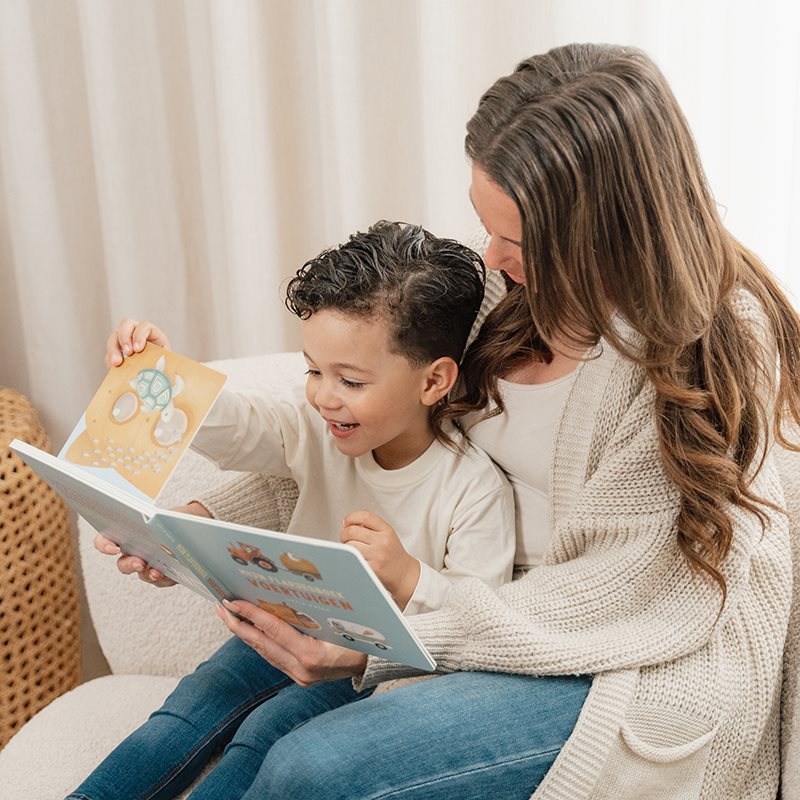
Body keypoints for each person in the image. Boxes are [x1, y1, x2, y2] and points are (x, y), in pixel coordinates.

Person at [86, 42, 800, 799]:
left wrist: (389, 646)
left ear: (603, 231)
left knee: (311, 765)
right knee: (224, 720)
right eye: (484, 224)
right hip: (450, 596)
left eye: (517, 241)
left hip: (623, 659)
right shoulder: (499, 292)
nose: (490, 255)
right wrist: (199, 531)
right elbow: (374, 437)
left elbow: (628, 595)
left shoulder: (706, 346)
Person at [68, 221, 515, 800]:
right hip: (275, 626)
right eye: (313, 370)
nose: (324, 396)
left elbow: (477, 616)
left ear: (434, 381)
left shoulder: (473, 488)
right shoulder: (315, 430)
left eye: (350, 380)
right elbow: (241, 425)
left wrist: (407, 575)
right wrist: (165, 375)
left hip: (361, 668)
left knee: (264, 739)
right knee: (181, 718)